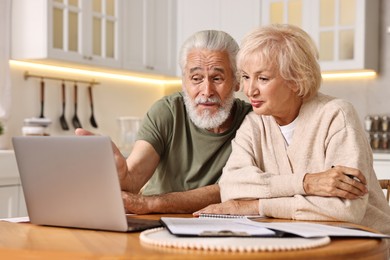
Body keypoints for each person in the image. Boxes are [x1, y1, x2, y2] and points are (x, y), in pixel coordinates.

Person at [194, 24, 390, 235]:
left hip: (364, 247)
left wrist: (256, 206)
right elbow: (231, 187)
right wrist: (306, 183)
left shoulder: (336, 115)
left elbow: (345, 209)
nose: (250, 90)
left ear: (297, 80)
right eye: (246, 76)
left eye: (263, 78)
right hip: (299, 241)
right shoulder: (254, 124)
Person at [76, 30, 252, 214]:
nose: (206, 91)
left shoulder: (252, 122)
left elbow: (230, 190)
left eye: (217, 78)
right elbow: (134, 178)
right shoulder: (167, 112)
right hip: (153, 219)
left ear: (237, 82)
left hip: (214, 224)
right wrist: (122, 175)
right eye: (196, 79)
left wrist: (149, 204)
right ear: (184, 82)